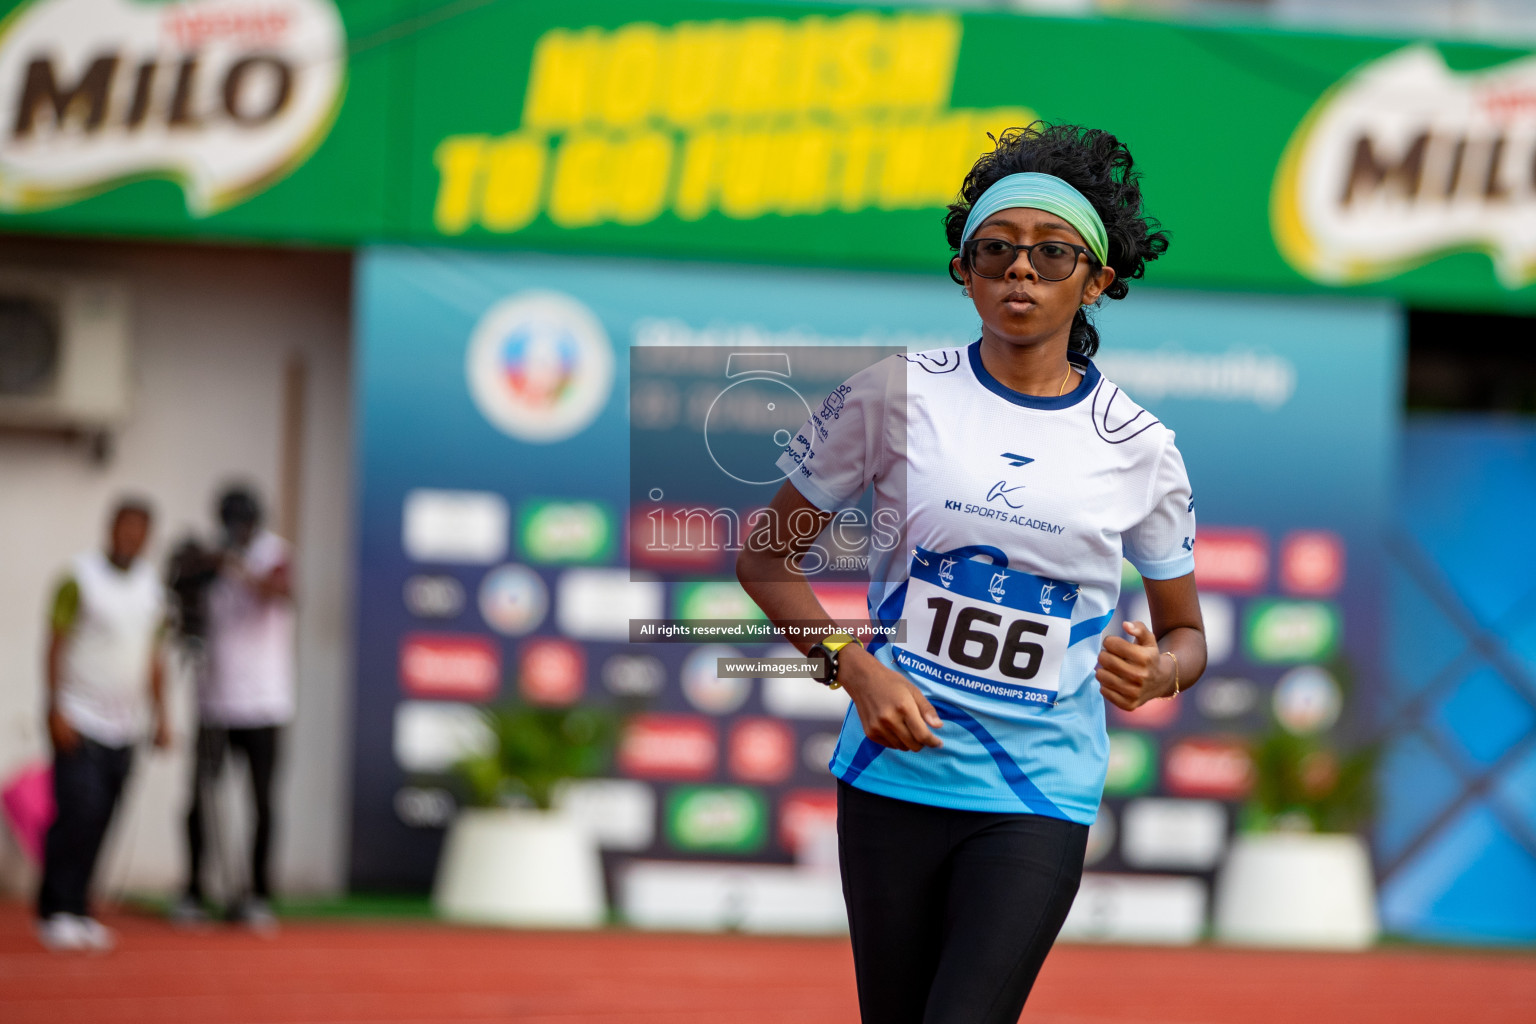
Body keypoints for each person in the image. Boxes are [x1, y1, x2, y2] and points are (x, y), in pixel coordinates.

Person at [738, 123, 1208, 1023]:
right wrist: (852, 666)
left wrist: (1159, 673)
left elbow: (1186, 637)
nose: (1019, 270)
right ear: (965, 269)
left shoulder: (1142, 449)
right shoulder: (893, 393)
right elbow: (764, 557)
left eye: (1051, 253)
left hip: (1038, 793)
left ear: (1097, 279)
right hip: (892, 779)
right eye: (994, 250)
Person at [37, 498, 170, 952]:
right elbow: (54, 643)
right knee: (78, 812)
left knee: (104, 820)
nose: (130, 536)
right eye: (124, 526)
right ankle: (54, 907)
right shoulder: (79, 577)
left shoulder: (152, 587)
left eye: (140, 529)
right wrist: (54, 707)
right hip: (79, 716)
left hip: (125, 724)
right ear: (110, 527)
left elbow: (155, 657)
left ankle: (80, 907)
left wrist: (163, 715)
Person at [172, 486, 295, 932]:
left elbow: (280, 590)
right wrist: (192, 569)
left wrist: (234, 566)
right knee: (200, 796)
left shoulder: (274, 553)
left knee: (261, 801)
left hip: (265, 702)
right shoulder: (207, 558)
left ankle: (258, 893)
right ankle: (193, 890)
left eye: (243, 522)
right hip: (213, 702)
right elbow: (179, 600)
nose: (237, 530)